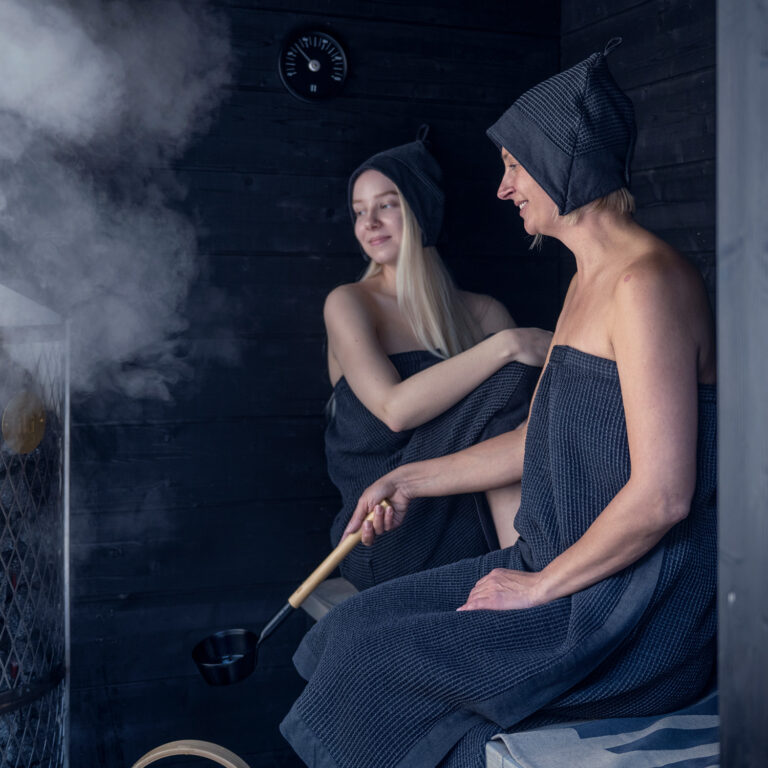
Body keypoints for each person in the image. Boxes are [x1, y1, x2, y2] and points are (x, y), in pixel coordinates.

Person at [281, 41, 716, 768]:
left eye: (514, 166)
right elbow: (535, 440)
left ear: (560, 162)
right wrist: (407, 479)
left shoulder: (647, 284)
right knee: (349, 630)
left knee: (377, 665)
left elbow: (664, 496)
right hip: (556, 558)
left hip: (625, 600)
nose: (504, 188)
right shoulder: (587, 281)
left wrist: (538, 586)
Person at [324, 130, 551, 589]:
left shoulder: (483, 313)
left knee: (519, 395)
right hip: (383, 532)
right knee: (510, 373)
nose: (369, 222)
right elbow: (395, 410)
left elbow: (533, 428)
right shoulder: (350, 304)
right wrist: (508, 344)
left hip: (474, 524)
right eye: (359, 211)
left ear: (421, 208)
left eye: (386, 204)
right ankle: (525, 567)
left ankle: (527, 570)